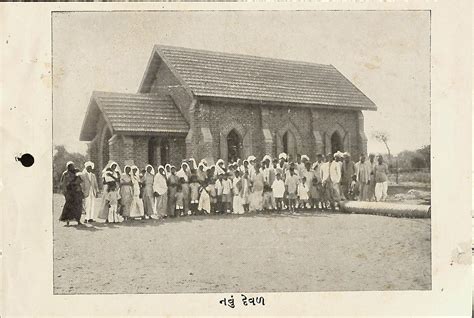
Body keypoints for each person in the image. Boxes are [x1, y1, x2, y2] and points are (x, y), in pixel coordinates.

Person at [59, 162, 84, 226]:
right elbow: (63, 184)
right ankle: (67, 221)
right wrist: (65, 193)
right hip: (69, 192)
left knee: (78, 206)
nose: (72, 167)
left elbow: (81, 180)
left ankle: (78, 220)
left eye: (73, 166)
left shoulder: (76, 172)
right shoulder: (65, 174)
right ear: (68, 167)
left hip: (77, 192)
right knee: (69, 206)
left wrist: (78, 180)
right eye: (70, 166)